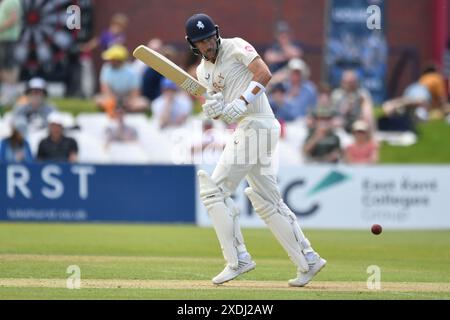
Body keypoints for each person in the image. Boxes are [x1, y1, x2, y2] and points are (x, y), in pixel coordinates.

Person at [185, 13, 325, 287]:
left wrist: (241, 101)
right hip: (249, 127)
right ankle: (308, 259)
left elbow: (264, 73)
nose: (208, 44)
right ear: (193, 44)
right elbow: (222, 110)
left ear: (216, 33)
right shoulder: (203, 72)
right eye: (201, 42)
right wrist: (215, 110)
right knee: (267, 200)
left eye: (210, 38)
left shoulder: (235, 45)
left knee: (214, 192)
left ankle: (237, 260)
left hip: (258, 124)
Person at [95, 45, 149, 117]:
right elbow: (105, 90)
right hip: (112, 100)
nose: (110, 61)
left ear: (118, 60)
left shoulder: (132, 71)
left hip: (128, 101)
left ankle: (121, 111)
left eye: (112, 59)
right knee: (98, 100)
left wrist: (127, 101)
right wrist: (113, 101)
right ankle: (117, 111)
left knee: (143, 103)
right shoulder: (106, 68)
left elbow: (135, 93)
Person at [0, 0, 22, 105]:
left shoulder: (10, 1)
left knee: (7, 67)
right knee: (6, 66)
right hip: (6, 39)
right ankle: (8, 93)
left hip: (7, 39)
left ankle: (9, 94)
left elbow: (13, 18)